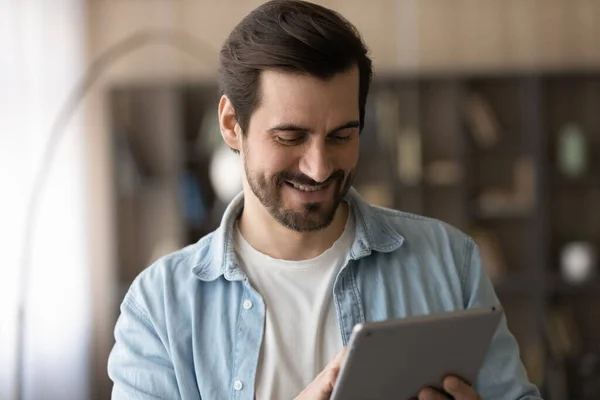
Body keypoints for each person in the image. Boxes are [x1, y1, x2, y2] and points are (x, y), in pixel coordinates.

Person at [107, 1, 543, 399]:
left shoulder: (450, 262)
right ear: (230, 125)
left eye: (341, 136)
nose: (318, 168)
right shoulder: (159, 307)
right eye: (290, 136)